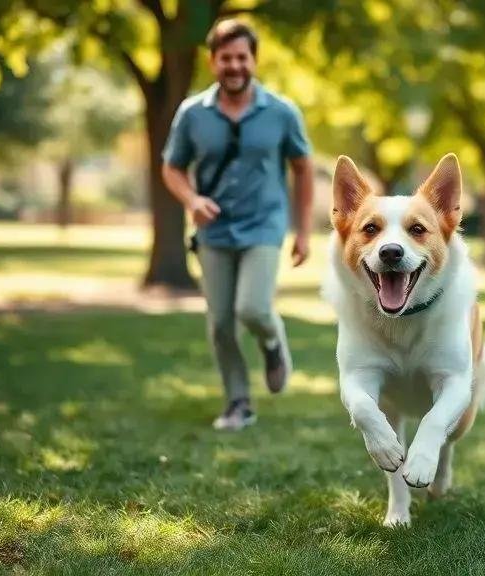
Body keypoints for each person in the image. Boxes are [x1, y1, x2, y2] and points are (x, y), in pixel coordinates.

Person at [161, 19, 314, 431]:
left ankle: (271, 340)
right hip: (214, 231)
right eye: (225, 58)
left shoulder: (281, 112)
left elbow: (303, 168)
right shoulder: (192, 114)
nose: (234, 65)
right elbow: (171, 168)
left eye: (241, 57)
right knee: (221, 323)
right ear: (212, 62)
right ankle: (238, 403)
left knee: (252, 308)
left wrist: (302, 231)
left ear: (253, 60)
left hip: (264, 225)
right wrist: (192, 199)